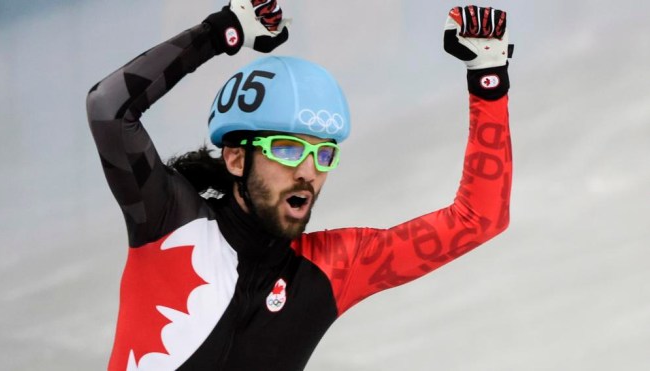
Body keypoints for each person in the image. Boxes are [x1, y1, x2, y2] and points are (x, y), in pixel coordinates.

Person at [87, 1, 512, 370]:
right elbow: (109, 108)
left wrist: (488, 79)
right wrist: (220, 32)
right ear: (236, 157)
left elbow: (478, 219)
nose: (308, 171)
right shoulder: (169, 219)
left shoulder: (333, 268)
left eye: (323, 155)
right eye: (288, 150)